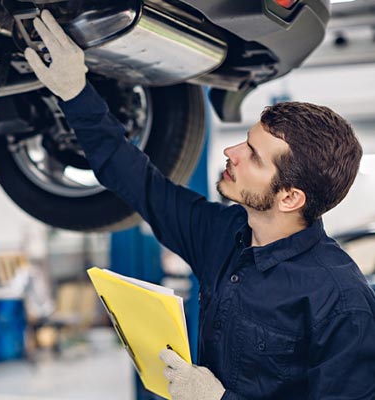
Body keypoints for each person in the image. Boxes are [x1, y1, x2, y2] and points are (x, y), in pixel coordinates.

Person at [24, 10, 375, 400]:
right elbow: (140, 183)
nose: (231, 151)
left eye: (254, 156)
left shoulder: (341, 302)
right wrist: (75, 93)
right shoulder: (224, 235)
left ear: (290, 197)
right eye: (245, 140)